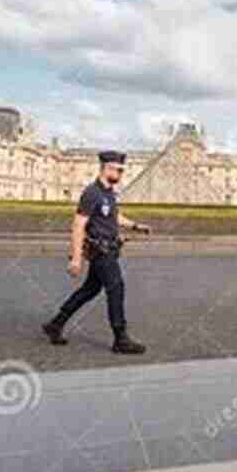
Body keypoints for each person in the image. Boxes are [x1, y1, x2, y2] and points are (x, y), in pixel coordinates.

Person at [43, 150, 152, 354]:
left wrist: (136, 226)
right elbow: (78, 225)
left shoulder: (108, 193)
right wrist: (76, 258)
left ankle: (55, 324)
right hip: (101, 251)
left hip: (109, 249)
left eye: (121, 171)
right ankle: (120, 339)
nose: (121, 174)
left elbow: (114, 216)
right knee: (116, 289)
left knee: (89, 290)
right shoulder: (92, 193)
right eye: (118, 170)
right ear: (107, 168)